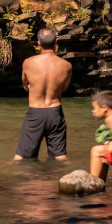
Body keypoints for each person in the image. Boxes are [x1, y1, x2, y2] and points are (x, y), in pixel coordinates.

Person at [14, 28, 72, 161]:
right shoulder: (66, 65)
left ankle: (15, 179)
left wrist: (33, 88)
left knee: (21, 157)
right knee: (60, 156)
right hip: (55, 112)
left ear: (39, 43)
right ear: (55, 42)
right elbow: (64, 88)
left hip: (35, 112)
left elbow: (25, 85)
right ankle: (68, 179)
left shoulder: (28, 62)